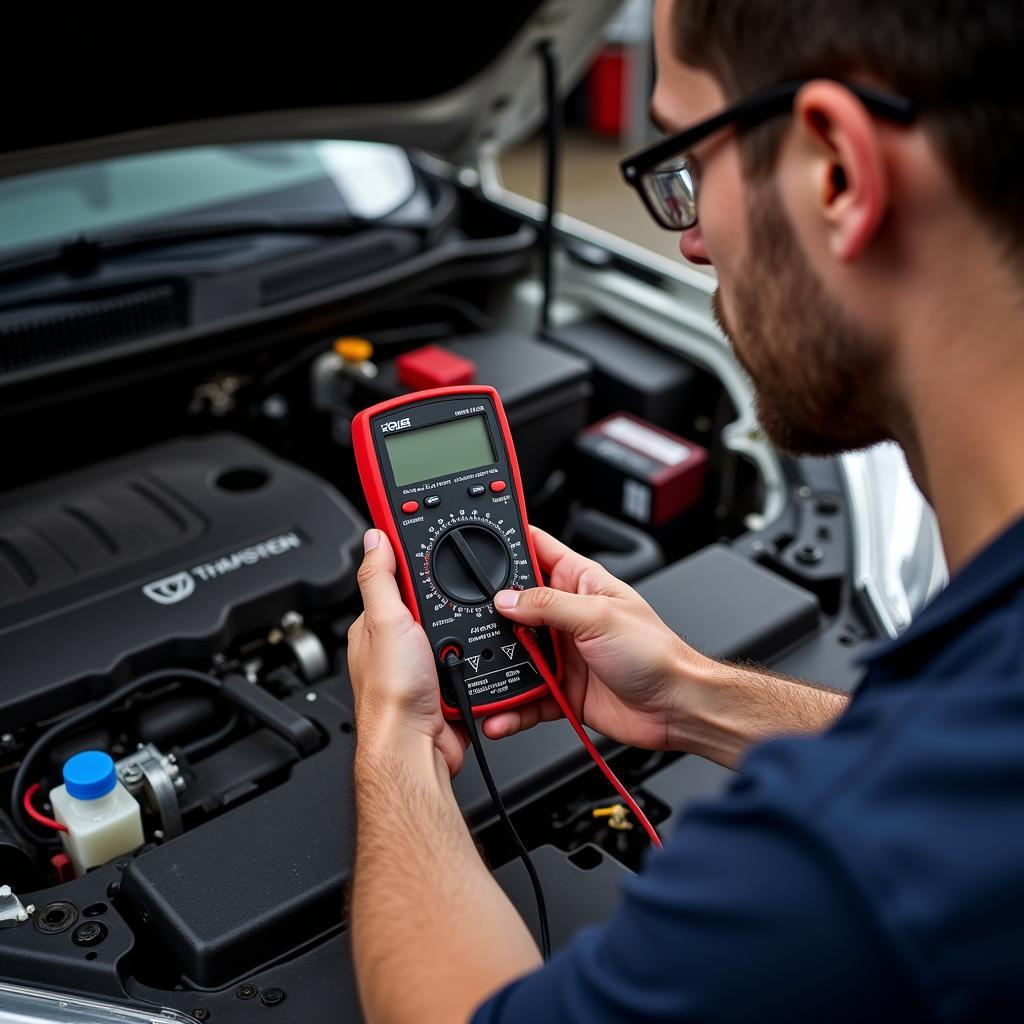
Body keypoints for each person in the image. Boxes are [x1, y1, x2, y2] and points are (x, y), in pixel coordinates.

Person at [347, 0, 1024, 1020]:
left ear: (834, 169)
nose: (693, 241)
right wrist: (698, 696)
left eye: (688, 163)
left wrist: (393, 748)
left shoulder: (843, 880)